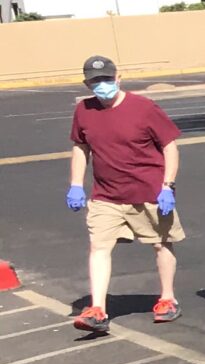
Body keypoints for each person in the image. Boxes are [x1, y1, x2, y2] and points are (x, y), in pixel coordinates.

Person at [65, 55, 183, 335]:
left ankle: (167, 298)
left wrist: (168, 186)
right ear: (87, 84)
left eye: (106, 79)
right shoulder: (84, 110)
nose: (102, 85)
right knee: (99, 247)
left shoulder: (144, 108)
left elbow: (170, 147)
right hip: (106, 196)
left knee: (161, 243)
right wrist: (75, 184)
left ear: (118, 78)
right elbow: (81, 148)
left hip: (149, 193)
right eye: (95, 81)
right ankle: (97, 309)